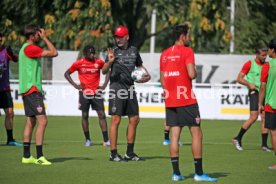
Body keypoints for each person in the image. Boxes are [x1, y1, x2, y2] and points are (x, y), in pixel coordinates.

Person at [160, 24, 217, 182]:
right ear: (183, 36)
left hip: (170, 100)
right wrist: (195, 71)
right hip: (186, 99)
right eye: (188, 35)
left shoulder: (164, 54)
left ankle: (176, 174)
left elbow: (163, 80)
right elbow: (192, 74)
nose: (189, 38)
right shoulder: (187, 51)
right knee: (197, 134)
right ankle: (198, 174)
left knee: (174, 135)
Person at [102, 25, 151, 162]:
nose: (118, 39)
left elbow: (139, 66)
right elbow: (104, 71)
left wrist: (147, 75)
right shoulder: (113, 51)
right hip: (117, 88)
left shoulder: (134, 50)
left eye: (121, 37)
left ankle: (129, 153)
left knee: (135, 119)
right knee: (116, 120)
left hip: (130, 88)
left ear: (127, 37)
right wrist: (110, 61)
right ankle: (113, 154)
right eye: (116, 37)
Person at [19, 25, 58, 165]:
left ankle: (26, 156)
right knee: (43, 121)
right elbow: (54, 52)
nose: (39, 35)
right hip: (33, 90)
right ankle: (40, 157)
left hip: (26, 90)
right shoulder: (31, 48)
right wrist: (45, 38)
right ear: (31, 36)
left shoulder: (23, 48)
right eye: (37, 33)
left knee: (31, 121)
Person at [64, 45, 110, 147]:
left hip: (96, 92)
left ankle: (106, 140)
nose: (92, 55)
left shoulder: (98, 62)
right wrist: (76, 85)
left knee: (102, 115)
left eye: (93, 53)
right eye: (90, 53)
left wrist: (104, 85)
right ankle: (88, 140)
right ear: (85, 54)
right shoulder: (79, 63)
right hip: (84, 93)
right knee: (85, 116)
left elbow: (107, 71)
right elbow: (67, 73)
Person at [232, 46, 271, 152]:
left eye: (266, 55)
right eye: (262, 55)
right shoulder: (249, 63)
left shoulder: (267, 65)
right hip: (254, 92)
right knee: (253, 117)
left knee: (265, 118)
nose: (264, 57)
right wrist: (249, 84)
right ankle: (238, 138)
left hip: (265, 93)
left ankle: (264, 145)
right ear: (257, 54)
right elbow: (239, 78)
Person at [0, 33, 22, 146]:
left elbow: (16, 60)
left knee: (10, 113)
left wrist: (12, 53)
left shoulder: (5, 51)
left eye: (1, 37)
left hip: (4, 89)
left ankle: (10, 140)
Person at [259, 38, 276, 170]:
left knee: (274, 133)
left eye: (269, 49)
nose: (268, 51)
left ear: (273, 50)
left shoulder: (268, 66)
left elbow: (263, 87)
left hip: (272, 104)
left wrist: (260, 103)